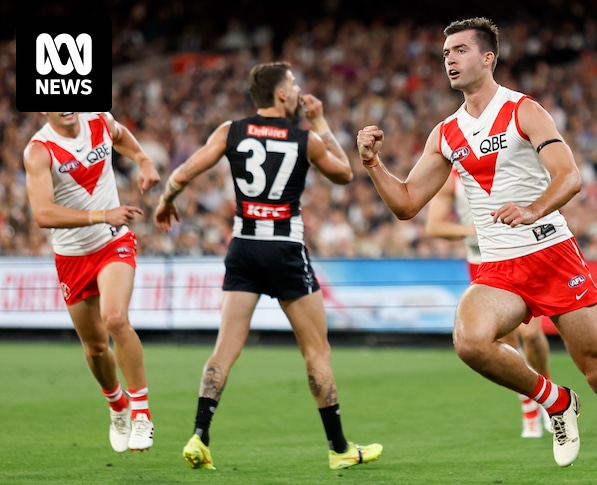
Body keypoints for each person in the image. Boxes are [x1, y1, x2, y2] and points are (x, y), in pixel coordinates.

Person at [357, 17, 597, 483]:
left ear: (488, 57)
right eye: (446, 54)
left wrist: (532, 209)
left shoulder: (524, 110)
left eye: (460, 51)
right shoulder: (445, 133)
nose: (450, 61)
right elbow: (405, 203)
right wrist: (373, 164)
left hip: (552, 254)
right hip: (500, 266)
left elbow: (570, 176)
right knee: (470, 341)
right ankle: (554, 401)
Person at [154, 61, 382, 471]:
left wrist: (166, 201)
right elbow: (345, 174)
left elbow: (185, 172)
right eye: (293, 84)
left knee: (224, 349)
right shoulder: (305, 138)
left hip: (243, 247)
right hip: (284, 248)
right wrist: (322, 122)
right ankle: (339, 448)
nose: (297, 91)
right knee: (317, 351)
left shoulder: (230, 131)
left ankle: (199, 435)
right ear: (280, 94)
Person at [23, 111, 160, 453]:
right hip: (71, 256)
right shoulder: (39, 151)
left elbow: (120, 135)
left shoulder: (98, 119)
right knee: (95, 347)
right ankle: (117, 406)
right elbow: (43, 213)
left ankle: (142, 413)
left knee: (115, 318)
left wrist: (143, 159)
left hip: (113, 240)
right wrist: (101, 214)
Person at [426, 167, 552, 438]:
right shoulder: (452, 177)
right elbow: (434, 226)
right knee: (506, 343)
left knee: (531, 335)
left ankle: (548, 396)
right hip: (482, 261)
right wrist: (472, 229)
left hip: (518, 254)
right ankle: (529, 407)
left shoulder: (506, 161)